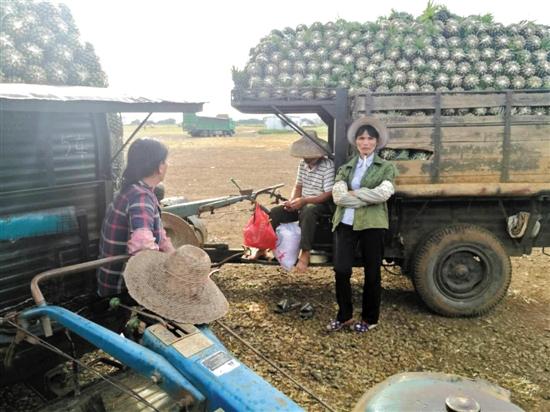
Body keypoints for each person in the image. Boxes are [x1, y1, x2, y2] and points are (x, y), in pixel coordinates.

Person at [327, 117, 398, 333]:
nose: (365, 142)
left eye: (370, 138)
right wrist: (366, 197)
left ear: (376, 142)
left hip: (372, 224)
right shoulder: (347, 167)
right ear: (356, 142)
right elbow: (338, 197)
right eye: (361, 138)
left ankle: (370, 318)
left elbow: (384, 193)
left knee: (372, 272)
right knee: (341, 269)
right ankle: (344, 316)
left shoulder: (386, 167)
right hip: (345, 222)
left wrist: (354, 193)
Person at [97, 138, 175, 297]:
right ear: (159, 167)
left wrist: (174, 257)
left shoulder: (137, 190)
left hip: (113, 280)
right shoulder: (140, 197)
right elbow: (142, 245)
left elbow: (158, 234)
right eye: (165, 161)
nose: (167, 165)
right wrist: (161, 279)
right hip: (121, 290)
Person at [248, 132, 335, 272]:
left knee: (309, 210)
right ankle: (263, 247)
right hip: (303, 201)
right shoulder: (303, 164)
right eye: (304, 155)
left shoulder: (328, 165)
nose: (306, 158)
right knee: (276, 212)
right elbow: (298, 186)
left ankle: (305, 253)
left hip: (320, 204)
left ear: (319, 154)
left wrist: (304, 201)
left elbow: (327, 194)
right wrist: (291, 201)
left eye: (309, 155)